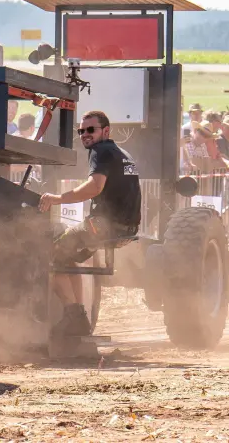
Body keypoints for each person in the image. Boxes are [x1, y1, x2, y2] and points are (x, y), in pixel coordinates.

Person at [36, 110, 141, 337]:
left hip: (104, 225)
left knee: (51, 254)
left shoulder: (100, 151)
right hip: (126, 226)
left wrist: (58, 199)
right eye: (81, 131)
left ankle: (74, 316)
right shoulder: (122, 153)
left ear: (105, 131)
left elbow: (94, 187)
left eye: (90, 130)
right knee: (67, 255)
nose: (85, 134)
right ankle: (79, 317)